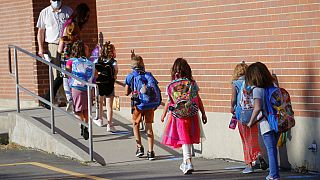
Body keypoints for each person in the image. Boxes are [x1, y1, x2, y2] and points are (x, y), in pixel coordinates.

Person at [161, 58, 207, 174]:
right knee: (187, 138)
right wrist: (203, 113)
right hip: (192, 114)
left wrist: (163, 113)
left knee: (184, 138)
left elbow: (168, 101)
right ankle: (185, 162)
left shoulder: (171, 85)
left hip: (178, 115)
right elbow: (198, 99)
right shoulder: (192, 83)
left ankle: (188, 162)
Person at [230, 62, 267, 174]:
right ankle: (258, 154)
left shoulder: (235, 83)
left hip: (242, 115)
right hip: (254, 115)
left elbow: (233, 99)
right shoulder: (252, 82)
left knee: (245, 140)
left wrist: (232, 108)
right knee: (253, 138)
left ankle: (249, 165)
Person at [245, 62, 280, 180]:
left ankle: (273, 175)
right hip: (278, 121)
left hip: (266, 123)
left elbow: (258, 107)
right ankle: (274, 173)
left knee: (270, 149)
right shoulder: (273, 85)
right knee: (273, 148)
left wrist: (250, 122)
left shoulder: (257, 90)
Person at [36, 0, 73, 108]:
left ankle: (65, 98)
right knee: (57, 73)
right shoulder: (45, 12)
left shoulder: (68, 11)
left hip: (67, 45)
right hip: (53, 45)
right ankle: (62, 98)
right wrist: (41, 48)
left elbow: (74, 27)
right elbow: (41, 32)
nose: (56, 2)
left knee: (67, 71)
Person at [57, 3, 90, 112]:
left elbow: (60, 48)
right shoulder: (73, 25)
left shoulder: (66, 33)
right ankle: (73, 99)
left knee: (65, 78)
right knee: (73, 77)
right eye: (86, 15)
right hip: (74, 58)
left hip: (66, 58)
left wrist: (60, 53)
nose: (86, 18)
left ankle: (70, 99)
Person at [124, 52, 157, 160]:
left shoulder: (130, 77)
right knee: (149, 127)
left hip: (138, 104)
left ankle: (139, 148)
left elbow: (126, 92)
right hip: (149, 104)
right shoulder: (149, 75)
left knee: (135, 125)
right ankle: (151, 152)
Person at [66, 40, 94, 140]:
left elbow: (67, 70)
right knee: (86, 110)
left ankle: (81, 125)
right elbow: (96, 74)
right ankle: (86, 126)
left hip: (76, 87)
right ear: (83, 51)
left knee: (77, 110)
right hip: (87, 88)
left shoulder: (71, 60)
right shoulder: (89, 62)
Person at [93, 41, 118, 132]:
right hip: (110, 85)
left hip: (100, 85)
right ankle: (109, 125)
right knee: (109, 106)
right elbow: (115, 73)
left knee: (99, 102)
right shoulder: (113, 62)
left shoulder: (97, 60)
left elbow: (95, 72)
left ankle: (99, 119)